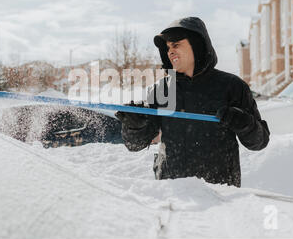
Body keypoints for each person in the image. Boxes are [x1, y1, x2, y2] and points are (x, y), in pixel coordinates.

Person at [115, 17, 270, 187]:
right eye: (167, 48)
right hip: (173, 191)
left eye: (176, 45)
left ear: (197, 44)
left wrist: (244, 123)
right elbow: (134, 145)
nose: (170, 52)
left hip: (220, 192)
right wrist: (134, 126)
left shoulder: (232, 86)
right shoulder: (161, 90)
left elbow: (259, 143)